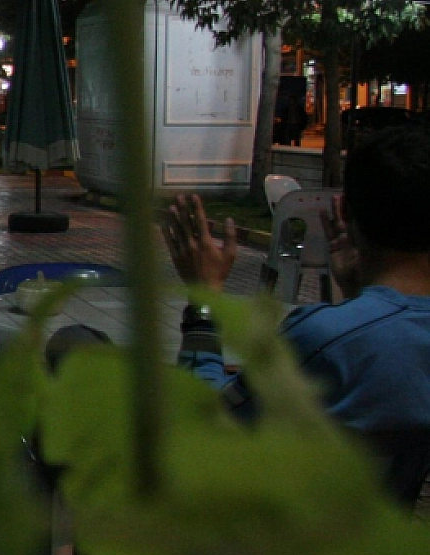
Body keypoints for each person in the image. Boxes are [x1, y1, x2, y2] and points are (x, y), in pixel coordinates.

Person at [163, 124, 430, 505]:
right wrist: (358, 294)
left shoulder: (324, 338)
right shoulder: (355, 335)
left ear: (345, 210)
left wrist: (204, 300)